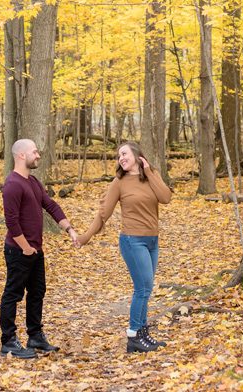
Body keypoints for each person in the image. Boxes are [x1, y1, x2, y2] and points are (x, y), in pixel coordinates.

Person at [74, 141, 172, 353]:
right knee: (142, 289)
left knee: (146, 289)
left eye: (124, 153)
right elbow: (104, 213)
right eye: (119, 156)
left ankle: (143, 334)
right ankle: (134, 335)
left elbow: (165, 198)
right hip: (132, 240)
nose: (121, 158)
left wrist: (148, 170)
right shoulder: (119, 182)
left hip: (152, 241)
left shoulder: (151, 174)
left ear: (138, 155)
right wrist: (85, 236)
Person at [0, 138, 78, 359]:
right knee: (13, 295)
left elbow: (50, 205)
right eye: (35, 152)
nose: (38, 156)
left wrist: (69, 229)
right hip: (18, 250)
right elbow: (11, 221)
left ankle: (35, 336)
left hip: (35, 250)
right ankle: (8, 341)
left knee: (37, 292)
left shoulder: (32, 182)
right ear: (22, 155)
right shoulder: (13, 184)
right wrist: (25, 248)